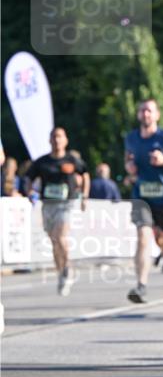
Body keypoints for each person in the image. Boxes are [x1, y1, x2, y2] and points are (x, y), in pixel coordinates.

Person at [124, 98, 163, 303]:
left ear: (157, 115)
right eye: (142, 110)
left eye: (149, 111)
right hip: (141, 195)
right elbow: (128, 159)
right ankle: (141, 286)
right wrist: (129, 167)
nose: (145, 114)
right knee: (143, 235)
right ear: (138, 114)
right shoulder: (131, 138)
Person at [24, 126, 90, 295]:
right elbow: (28, 178)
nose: (57, 140)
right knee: (54, 241)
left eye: (60, 136)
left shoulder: (71, 160)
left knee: (60, 236)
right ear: (49, 140)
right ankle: (61, 272)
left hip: (66, 204)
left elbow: (85, 174)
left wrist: (85, 196)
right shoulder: (42, 162)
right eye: (54, 137)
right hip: (48, 205)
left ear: (65, 140)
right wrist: (30, 191)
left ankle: (67, 266)